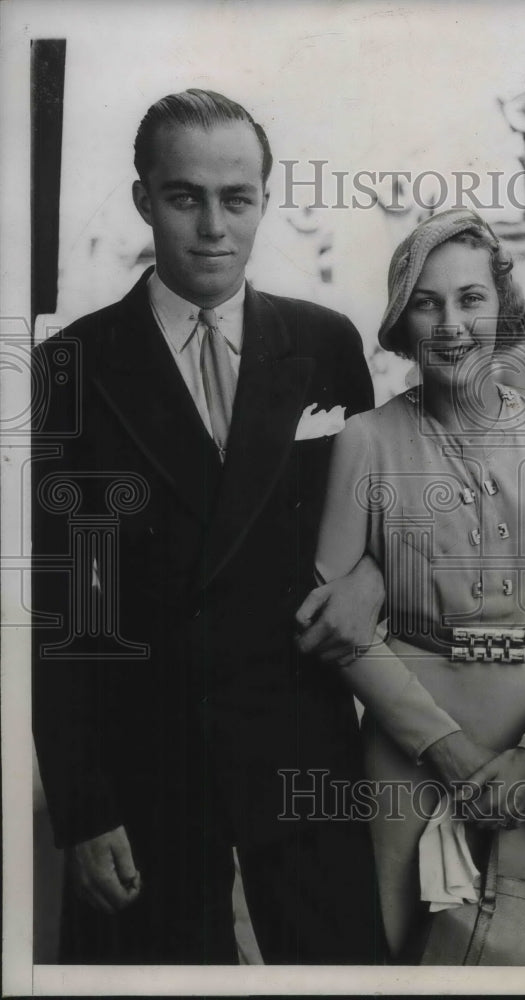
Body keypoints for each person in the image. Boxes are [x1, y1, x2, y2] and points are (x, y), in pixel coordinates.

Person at [31, 89, 387, 965]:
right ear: (144, 199)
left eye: (238, 199)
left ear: (265, 199)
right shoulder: (71, 366)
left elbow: (375, 518)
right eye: (185, 197)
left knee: (340, 975)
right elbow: (64, 606)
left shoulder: (326, 343)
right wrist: (83, 808)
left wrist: (371, 580)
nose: (213, 228)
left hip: (300, 740)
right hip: (148, 760)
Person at [312, 208, 525, 958]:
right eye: (427, 301)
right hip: (411, 748)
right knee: (409, 950)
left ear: (500, 308)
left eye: (470, 298)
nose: (452, 324)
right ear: (402, 320)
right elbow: (332, 622)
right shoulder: (365, 441)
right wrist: (441, 748)